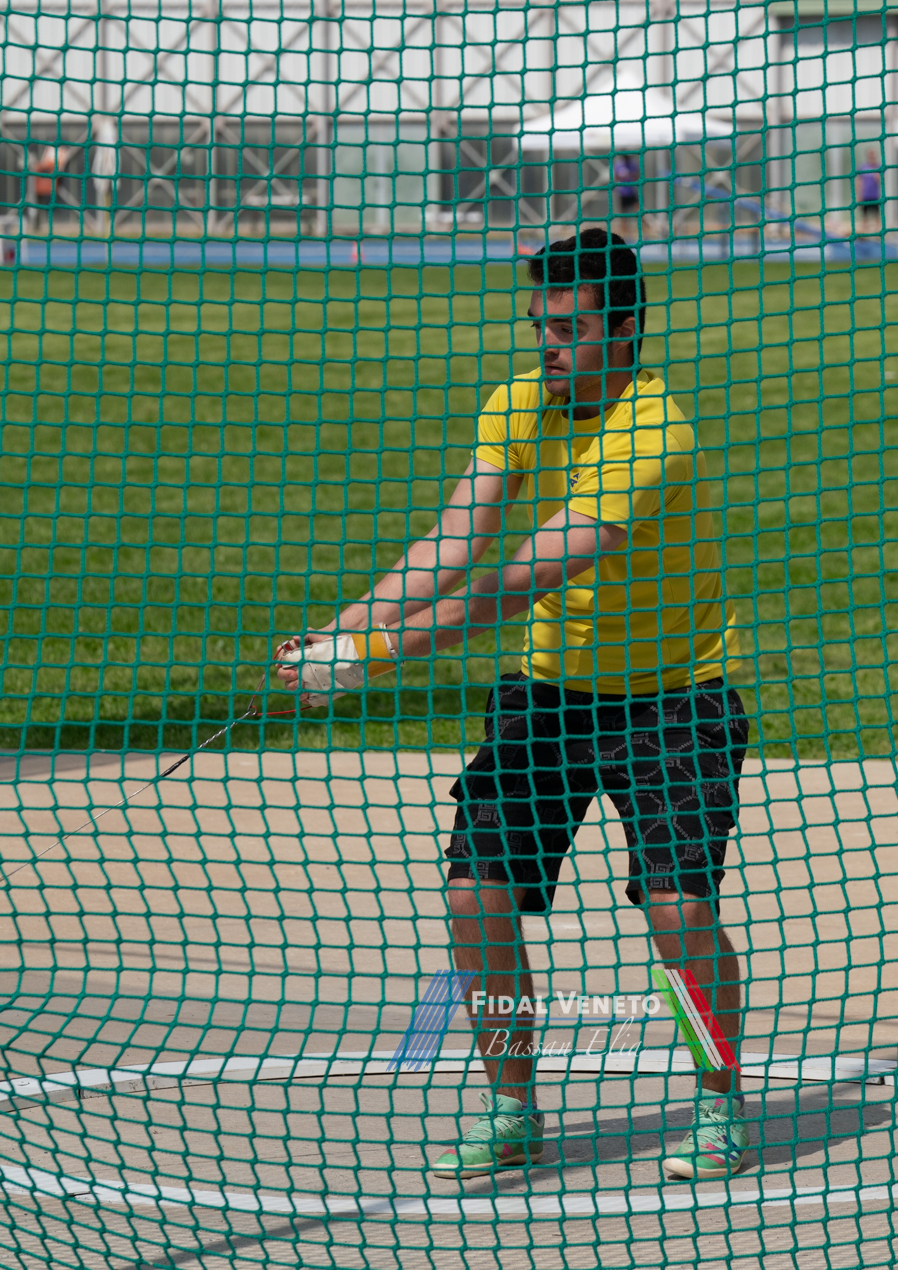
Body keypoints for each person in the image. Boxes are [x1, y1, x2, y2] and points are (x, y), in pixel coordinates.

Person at [274, 229, 749, 1183]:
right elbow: (453, 542)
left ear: (625, 329)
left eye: (570, 328)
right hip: (547, 694)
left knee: (677, 908)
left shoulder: (652, 433)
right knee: (473, 891)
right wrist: (341, 630)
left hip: (674, 700)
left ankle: (716, 1101)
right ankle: (511, 1109)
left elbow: (521, 577)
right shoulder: (521, 402)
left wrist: (371, 656)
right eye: (540, 325)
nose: (548, 345)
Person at [612, 152, 642, 241]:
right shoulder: (618, 165)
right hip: (623, 192)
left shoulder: (632, 164)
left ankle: (642, 230)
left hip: (631, 191)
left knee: (638, 211)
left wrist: (630, 175)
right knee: (624, 213)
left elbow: (637, 176)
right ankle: (624, 232)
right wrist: (622, 177)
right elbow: (616, 177)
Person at [855, 148, 882, 234]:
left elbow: (880, 180)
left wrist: (876, 173)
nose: (872, 156)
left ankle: (878, 231)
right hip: (865, 195)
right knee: (864, 215)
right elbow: (859, 181)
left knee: (876, 214)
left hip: (875, 195)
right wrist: (859, 195)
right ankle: (864, 231)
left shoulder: (878, 167)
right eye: (870, 154)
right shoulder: (863, 167)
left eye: (873, 154)